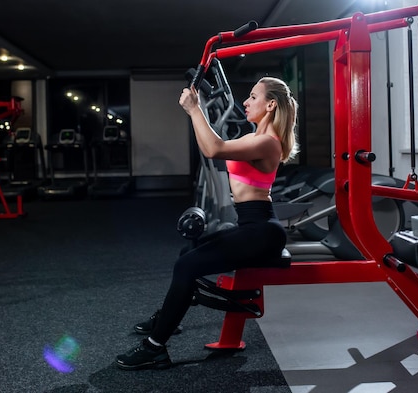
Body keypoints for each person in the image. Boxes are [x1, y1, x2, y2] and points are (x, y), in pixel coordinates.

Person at [115, 76, 299, 370]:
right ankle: (167, 318)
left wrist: (194, 110)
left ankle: (155, 347)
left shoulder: (266, 142)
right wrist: (195, 112)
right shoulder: (253, 138)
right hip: (252, 225)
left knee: (186, 266)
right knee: (186, 256)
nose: (246, 102)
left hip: (262, 231)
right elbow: (212, 146)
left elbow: (214, 149)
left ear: (271, 104)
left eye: (253, 97)